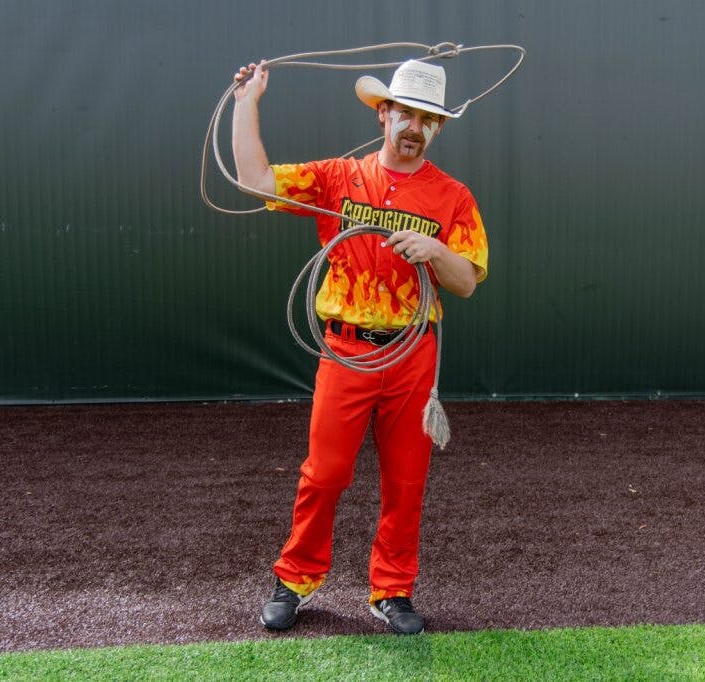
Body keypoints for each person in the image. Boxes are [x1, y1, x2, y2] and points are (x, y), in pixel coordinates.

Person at [231, 57, 489, 635]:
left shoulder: (453, 197)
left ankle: (392, 590)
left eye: (428, 118)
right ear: (384, 114)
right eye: (406, 113)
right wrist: (248, 101)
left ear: (438, 128)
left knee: (406, 481)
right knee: (323, 474)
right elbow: (254, 181)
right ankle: (294, 578)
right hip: (346, 351)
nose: (415, 126)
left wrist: (436, 251)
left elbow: (467, 281)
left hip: (412, 355)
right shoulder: (338, 178)